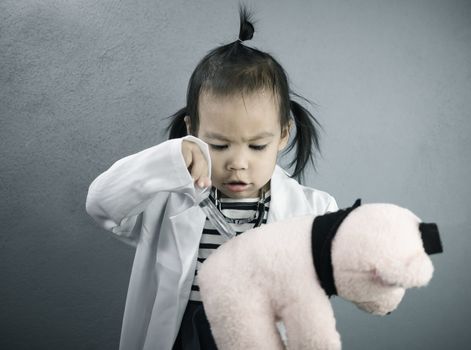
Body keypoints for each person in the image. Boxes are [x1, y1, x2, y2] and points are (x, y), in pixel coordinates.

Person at [85, 5, 338, 350]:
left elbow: (328, 281)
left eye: (257, 145)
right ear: (192, 131)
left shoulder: (314, 209)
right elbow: (102, 204)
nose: (237, 163)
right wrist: (169, 159)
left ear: (283, 135)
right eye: (218, 145)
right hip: (184, 334)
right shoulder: (168, 198)